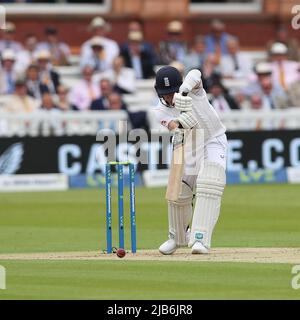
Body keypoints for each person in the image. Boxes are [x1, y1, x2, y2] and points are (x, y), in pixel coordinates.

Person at [153, 66, 227, 255]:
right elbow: (175, 126)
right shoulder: (160, 111)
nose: (169, 98)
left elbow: (196, 72)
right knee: (179, 189)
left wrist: (184, 91)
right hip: (190, 145)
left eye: (172, 93)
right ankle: (177, 238)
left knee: (209, 182)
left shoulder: (194, 90)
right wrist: (183, 119)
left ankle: (200, 239)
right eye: (165, 94)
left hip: (213, 139)